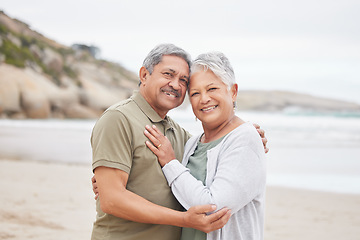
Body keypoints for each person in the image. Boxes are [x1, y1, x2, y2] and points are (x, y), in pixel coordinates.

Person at [90, 44, 268, 240]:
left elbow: (214, 156)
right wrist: (183, 219)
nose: (175, 85)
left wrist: (248, 134)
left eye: (183, 80)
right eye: (168, 74)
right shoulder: (119, 119)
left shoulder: (181, 136)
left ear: (233, 92)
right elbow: (112, 200)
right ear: (144, 75)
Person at [144, 52, 267, 240]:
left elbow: (212, 209)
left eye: (212, 89)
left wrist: (170, 162)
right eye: (195, 93)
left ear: (232, 92)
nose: (204, 99)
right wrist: (111, 181)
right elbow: (177, 192)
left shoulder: (245, 139)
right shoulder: (193, 143)